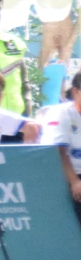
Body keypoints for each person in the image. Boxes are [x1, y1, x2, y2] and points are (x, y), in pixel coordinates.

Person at [40, 72, 81, 226]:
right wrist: (75, 182)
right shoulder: (60, 113)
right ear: (75, 92)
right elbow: (58, 151)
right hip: (66, 175)